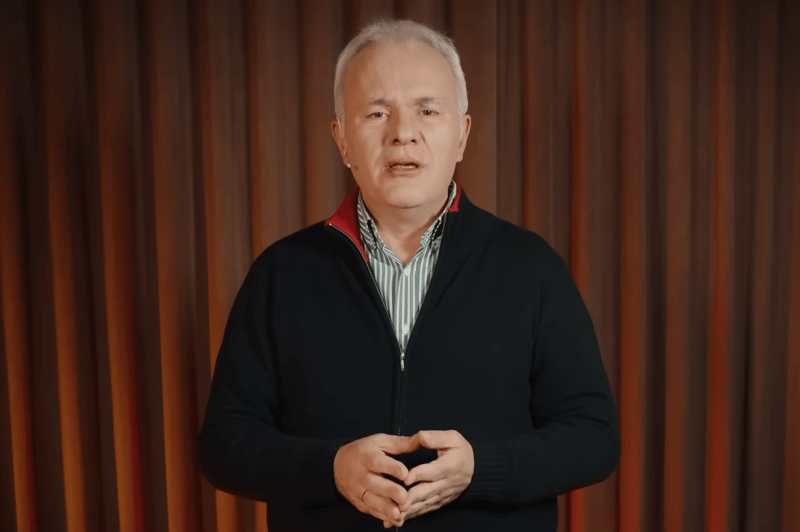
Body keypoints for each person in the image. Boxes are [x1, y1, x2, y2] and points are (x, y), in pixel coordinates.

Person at [198, 18, 619, 531]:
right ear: (342, 140)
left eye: (427, 110)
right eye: (377, 112)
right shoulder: (281, 274)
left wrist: (480, 469)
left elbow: (593, 437)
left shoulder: (531, 268)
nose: (402, 132)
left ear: (462, 134)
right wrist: (330, 469)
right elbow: (224, 444)